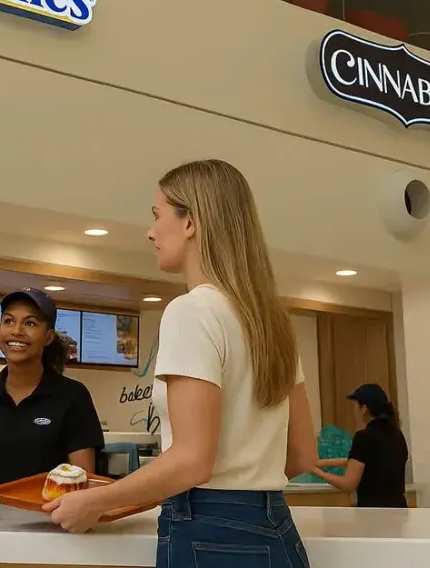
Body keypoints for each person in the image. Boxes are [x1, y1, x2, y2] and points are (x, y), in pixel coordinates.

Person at [44, 160, 318, 568]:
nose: (150, 232)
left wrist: (98, 500)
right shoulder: (271, 322)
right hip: (277, 529)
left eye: (157, 215)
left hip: (209, 534)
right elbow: (301, 456)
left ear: (190, 221)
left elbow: (192, 460)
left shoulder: (191, 311)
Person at [0, 288, 105, 503]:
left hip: (49, 522)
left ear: (48, 336)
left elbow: (82, 479)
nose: (16, 331)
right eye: (9, 321)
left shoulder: (73, 396)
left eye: (30, 323)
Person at [309, 383, 409, 508]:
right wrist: (323, 463)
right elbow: (370, 462)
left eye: (355, 405)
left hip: (374, 513)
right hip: (399, 510)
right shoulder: (397, 434)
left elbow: (348, 484)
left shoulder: (364, 437)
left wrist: (317, 472)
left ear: (364, 409)